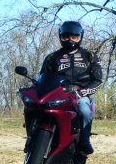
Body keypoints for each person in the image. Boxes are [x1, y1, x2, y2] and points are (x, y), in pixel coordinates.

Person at [40, 20, 103, 155]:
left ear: (80, 37)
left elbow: (98, 80)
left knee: (85, 111)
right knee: (38, 109)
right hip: (58, 93)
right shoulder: (52, 57)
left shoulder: (89, 55)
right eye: (66, 37)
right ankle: (34, 139)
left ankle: (85, 141)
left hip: (80, 95)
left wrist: (83, 92)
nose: (70, 40)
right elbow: (43, 78)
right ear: (60, 36)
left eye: (74, 37)